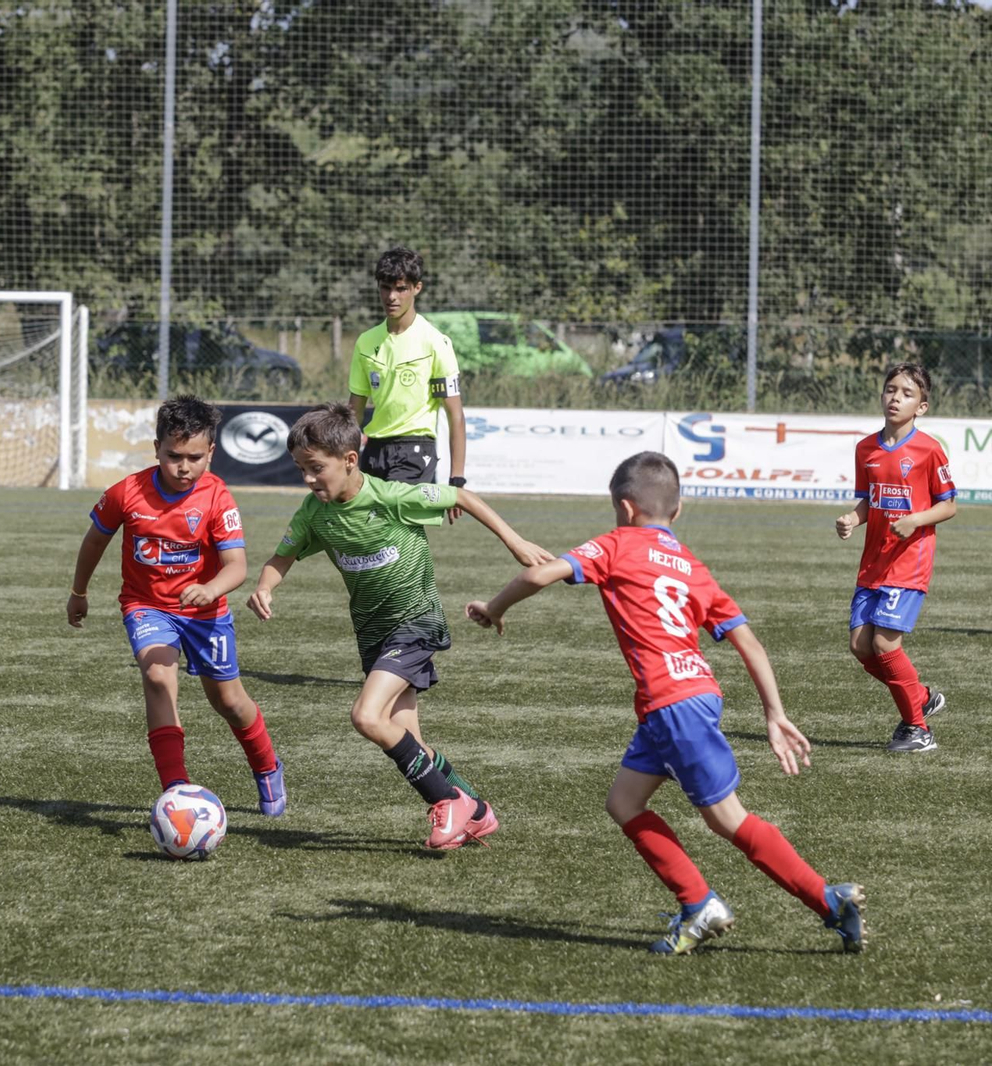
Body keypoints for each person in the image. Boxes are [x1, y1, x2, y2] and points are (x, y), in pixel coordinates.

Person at [464, 451, 867, 954]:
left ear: (625, 508)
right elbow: (749, 642)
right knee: (624, 803)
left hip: (672, 705)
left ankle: (826, 900)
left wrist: (493, 607)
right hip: (687, 698)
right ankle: (698, 902)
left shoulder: (616, 543)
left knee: (728, 819)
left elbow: (539, 574)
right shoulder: (693, 567)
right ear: (677, 511)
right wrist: (774, 713)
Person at [246, 403, 551, 849]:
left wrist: (516, 542)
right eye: (301, 470)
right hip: (373, 635)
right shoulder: (314, 513)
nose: (308, 479)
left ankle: (448, 802)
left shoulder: (392, 497)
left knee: (366, 716)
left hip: (416, 622)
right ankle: (477, 812)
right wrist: (265, 586)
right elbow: (282, 557)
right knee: (410, 743)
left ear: (350, 460)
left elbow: (461, 498)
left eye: (316, 468)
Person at [67, 395, 286, 816]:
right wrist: (79, 592)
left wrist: (210, 588)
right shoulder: (126, 493)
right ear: (156, 449)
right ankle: (177, 789)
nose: (183, 467)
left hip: (206, 613)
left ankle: (267, 765)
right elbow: (94, 541)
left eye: (194, 458)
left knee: (228, 702)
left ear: (211, 453)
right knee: (157, 674)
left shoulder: (218, 497)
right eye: (173, 456)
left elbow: (236, 566)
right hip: (147, 605)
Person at [835, 362, 956, 754]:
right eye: (891, 390)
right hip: (874, 562)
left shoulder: (929, 450)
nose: (896, 398)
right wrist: (852, 519)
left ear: (921, 407)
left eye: (907, 393)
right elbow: (868, 501)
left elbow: (949, 505)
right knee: (861, 646)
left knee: (885, 645)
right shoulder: (866, 449)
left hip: (909, 562)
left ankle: (918, 729)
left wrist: (915, 520)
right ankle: (919, 696)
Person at [348, 247, 468, 521]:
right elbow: (355, 412)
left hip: (415, 450)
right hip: (374, 451)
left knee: (391, 524)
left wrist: (457, 479)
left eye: (401, 288)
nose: (392, 296)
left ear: (417, 288)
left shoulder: (435, 343)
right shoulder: (366, 342)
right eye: (385, 287)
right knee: (368, 529)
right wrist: (345, 457)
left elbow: (455, 415)